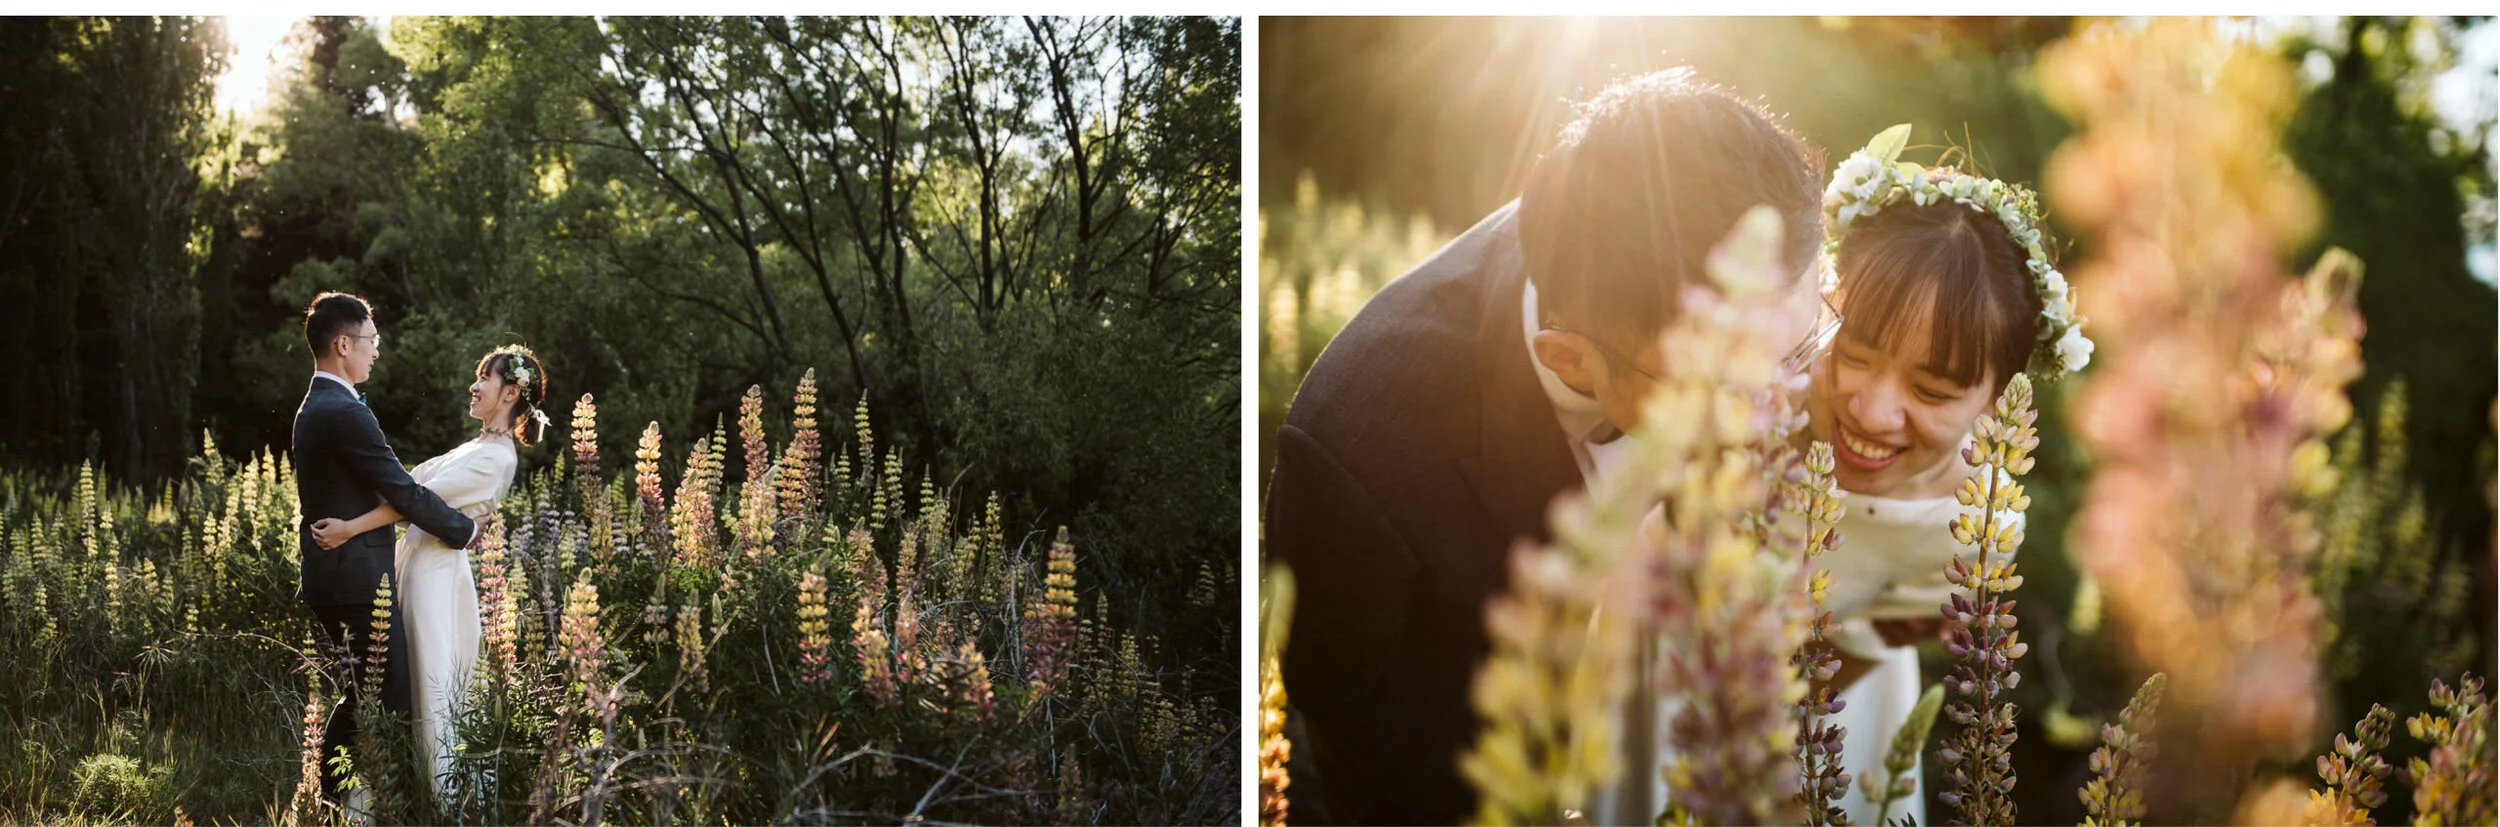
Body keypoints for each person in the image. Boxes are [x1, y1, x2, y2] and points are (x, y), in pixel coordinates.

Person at [1263, 68, 1828, 824]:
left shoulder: (1755, 250)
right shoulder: (1356, 448)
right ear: (1570, 359)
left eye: (1793, 356)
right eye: (1720, 386)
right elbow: (1344, 703)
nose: (1767, 417)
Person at [1795, 125, 2092, 825]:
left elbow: (1863, 652)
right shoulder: (1767, 394)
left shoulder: (1974, 520)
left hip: (1826, 717)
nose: (1872, 409)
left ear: (1996, 403)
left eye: (1930, 391)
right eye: (1856, 353)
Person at [312, 345, 545, 804]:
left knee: (424, 675)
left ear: (511, 392)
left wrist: (350, 529)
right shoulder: (475, 447)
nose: (474, 386)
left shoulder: (497, 458)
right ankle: (383, 790)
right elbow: (408, 488)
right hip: (416, 565)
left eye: (485, 378)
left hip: (436, 579)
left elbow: (414, 500)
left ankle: (432, 797)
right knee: (397, 676)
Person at [290, 292, 482, 812]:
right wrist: (464, 530)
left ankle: (337, 804)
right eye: (371, 341)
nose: (377, 352)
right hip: (352, 581)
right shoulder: (339, 411)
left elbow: (389, 487)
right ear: (343, 343)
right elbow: (402, 491)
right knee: (384, 698)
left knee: (368, 694)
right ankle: (339, 804)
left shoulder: (324, 404)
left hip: (344, 572)